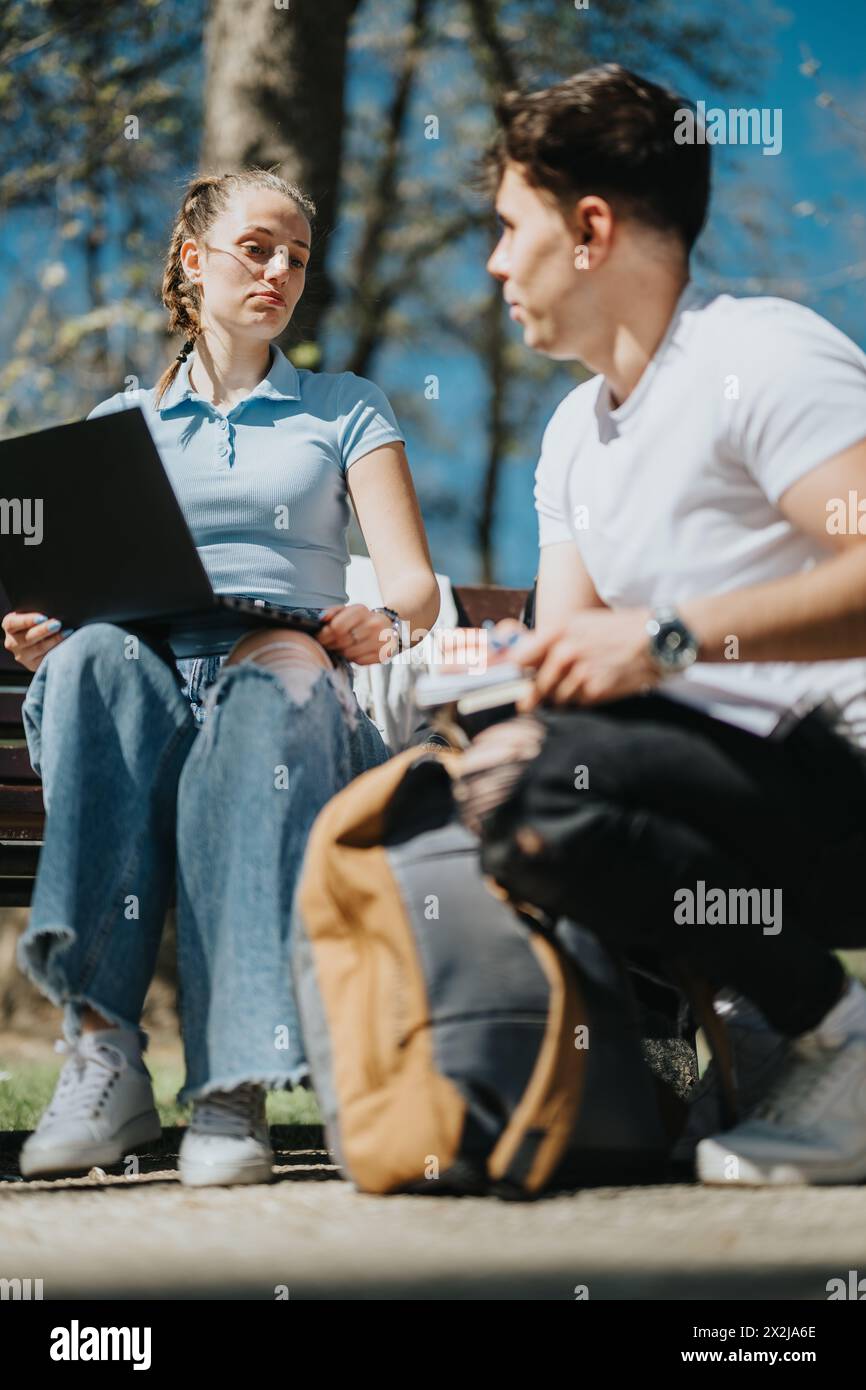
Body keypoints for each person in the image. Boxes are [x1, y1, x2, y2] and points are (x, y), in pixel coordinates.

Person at [455, 65, 866, 1186]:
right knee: (514, 774)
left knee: (540, 780)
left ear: (588, 228)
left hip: (842, 783)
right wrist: (430, 673)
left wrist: (671, 638)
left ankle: (832, 1033)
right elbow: (566, 655)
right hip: (724, 800)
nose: (492, 263)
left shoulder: (759, 358)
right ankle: (746, 1048)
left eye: (506, 227)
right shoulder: (570, 438)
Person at [4, 167, 440, 1186]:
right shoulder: (122, 417)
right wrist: (43, 628)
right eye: (257, 248)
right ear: (193, 260)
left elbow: (412, 582)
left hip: (285, 679)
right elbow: (75, 589)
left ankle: (229, 1089)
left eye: (296, 255)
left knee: (271, 677)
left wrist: (380, 616)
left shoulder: (343, 407)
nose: (281, 269)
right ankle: (103, 1056)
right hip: (145, 674)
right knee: (85, 663)